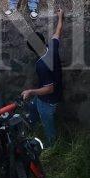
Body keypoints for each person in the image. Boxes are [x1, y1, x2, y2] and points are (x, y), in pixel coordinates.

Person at [21, 9, 64, 146]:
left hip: (48, 101)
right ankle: (31, 126)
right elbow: (58, 33)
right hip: (50, 96)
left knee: (48, 127)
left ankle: (52, 147)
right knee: (33, 106)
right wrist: (60, 17)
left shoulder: (41, 65)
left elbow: (49, 88)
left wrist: (31, 91)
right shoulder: (52, 47)